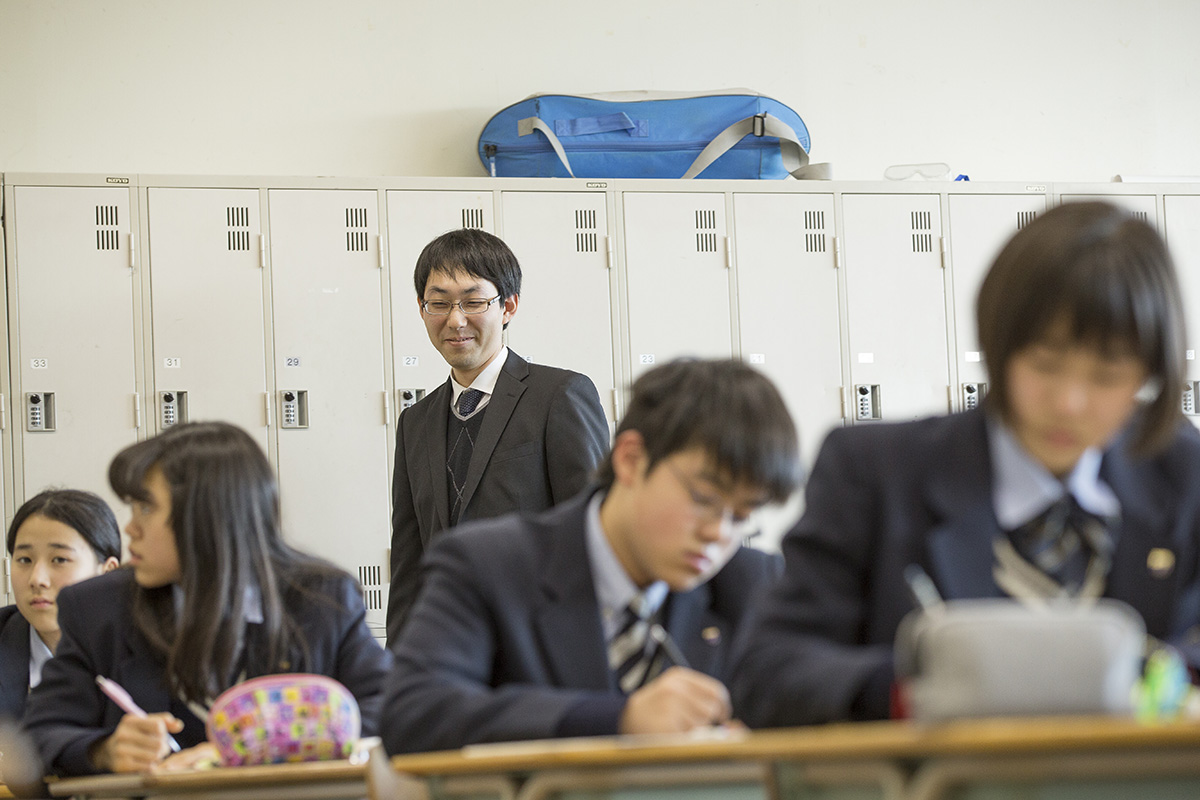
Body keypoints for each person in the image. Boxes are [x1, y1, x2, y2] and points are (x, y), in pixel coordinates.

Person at [732, 200, 1200, 727]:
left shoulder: (1184, 475)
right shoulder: (873, 471)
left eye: (1107, 376)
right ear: (999, 347)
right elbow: (765, 671)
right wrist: (916, 688)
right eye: (1045, 365)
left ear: (1149, 373)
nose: (1070, 402)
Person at [381, 358, 801, 754]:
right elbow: (414, 715)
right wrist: (619, 719)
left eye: (740, 516)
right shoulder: (488, 566)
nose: (718, 534)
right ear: (631, 460)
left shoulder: (752, 582)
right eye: (704, 499)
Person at [23, 422, 391, 776]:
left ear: (206, 517)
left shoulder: (320, 600)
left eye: (146, 509)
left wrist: (254, 750)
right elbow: (40, 736)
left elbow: (391, 711)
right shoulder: (98, 608)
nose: (130, 528)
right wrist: (104, 750)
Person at [386, 228, 609, 643]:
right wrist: (399, 665)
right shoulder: (415, 421)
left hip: (539, 642)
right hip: (449, 646)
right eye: (439, 303)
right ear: (422, 308)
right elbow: (408, 557)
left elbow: (593, 530)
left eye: (474, 302)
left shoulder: (558, 396)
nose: (456, 320)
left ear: (507, 306)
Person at [0, 490, 120, 719]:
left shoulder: (148, 651)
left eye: (60, 560)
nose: (37, 579)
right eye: (24, 560)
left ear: (107, 572)